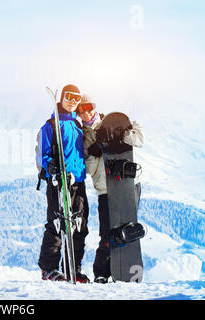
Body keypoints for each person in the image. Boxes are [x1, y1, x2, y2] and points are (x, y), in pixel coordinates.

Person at [77, 95, 144, 283]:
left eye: (88, 107)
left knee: (127, 228)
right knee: (107, 233)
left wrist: (118, 136)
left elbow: (138, 140)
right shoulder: (83, 135)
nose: (85, 113)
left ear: (95, 107)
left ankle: (124, 269)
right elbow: (88, 170)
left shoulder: (113, 122)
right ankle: (102, 273)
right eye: (80, 111)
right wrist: (94, 152)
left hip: (128, 185)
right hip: (105, 190)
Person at [36, 84, 90, 283]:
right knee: (58, 223)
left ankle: (72, 269)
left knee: (79, 225)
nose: (73, 100)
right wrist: (50, 167)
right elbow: (42, 153)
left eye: (77, 97)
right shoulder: (51, 125)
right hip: (60, 181)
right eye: (69, 96)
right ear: (62, 98)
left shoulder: (77, 125)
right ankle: (48, 268)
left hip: (78, 181)